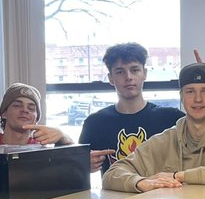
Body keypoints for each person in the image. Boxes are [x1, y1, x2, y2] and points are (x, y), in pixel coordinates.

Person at [102, 62, 205, 192]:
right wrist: (140, 182)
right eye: (190, 91)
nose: (198, 99)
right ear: (181, 96)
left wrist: (178, 176)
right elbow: (112, 174)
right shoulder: (164, 141)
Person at [78, 42, 185, 173]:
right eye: (120, 72)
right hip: (113, 186)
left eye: (134, 70)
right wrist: (84, 164)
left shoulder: (171, 118)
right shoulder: (95, 122)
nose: (128, 77)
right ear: (111, 78)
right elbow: (76, 168)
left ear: (144, 73)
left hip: (164, 186)